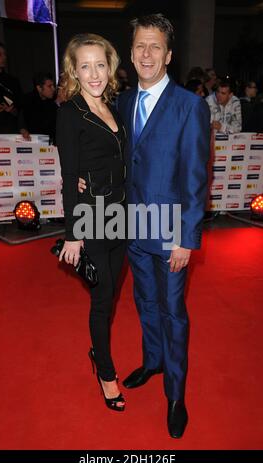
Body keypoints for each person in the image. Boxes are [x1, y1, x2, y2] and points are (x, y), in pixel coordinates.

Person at [79, 14, 210, 438]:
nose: (147, 54)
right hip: (131, 227)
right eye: (140, 46)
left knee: (174, 313)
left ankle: (176, 393)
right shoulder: (122, 101)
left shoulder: (190, 106)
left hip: (170, 230)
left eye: (155, 46)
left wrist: (186, 239)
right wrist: (87, 178)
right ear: (130, 53)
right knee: (145, 303)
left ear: (169, 54)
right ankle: (152, 361)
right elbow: (113, 159)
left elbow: (195, 178)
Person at [56, 33, 127, 411]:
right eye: (85, 65)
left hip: (122, 215)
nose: (94, 72)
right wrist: (72, 235)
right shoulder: (70, 113)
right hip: (91, 218)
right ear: (74, 71)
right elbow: (70, 177)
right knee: (102, 301)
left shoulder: (114, 106)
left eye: (100, 63)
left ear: (110, 66)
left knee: (112, 293)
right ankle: (106, 372)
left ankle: (96, 348)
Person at [0, 40, 22, 133]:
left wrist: (12, 110)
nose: (4, 57)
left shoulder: (13, 81)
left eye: (4, 54)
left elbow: (21, 110)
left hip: (9, 134)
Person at [19, 72, 58, 143]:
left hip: (51, 147)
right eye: (49, 86)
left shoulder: (54, 103)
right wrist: (22, 128)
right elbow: (20, 119)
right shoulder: (27, 101)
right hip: (31, 145)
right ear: (39, 88)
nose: (53, 89)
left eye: (53, 85)